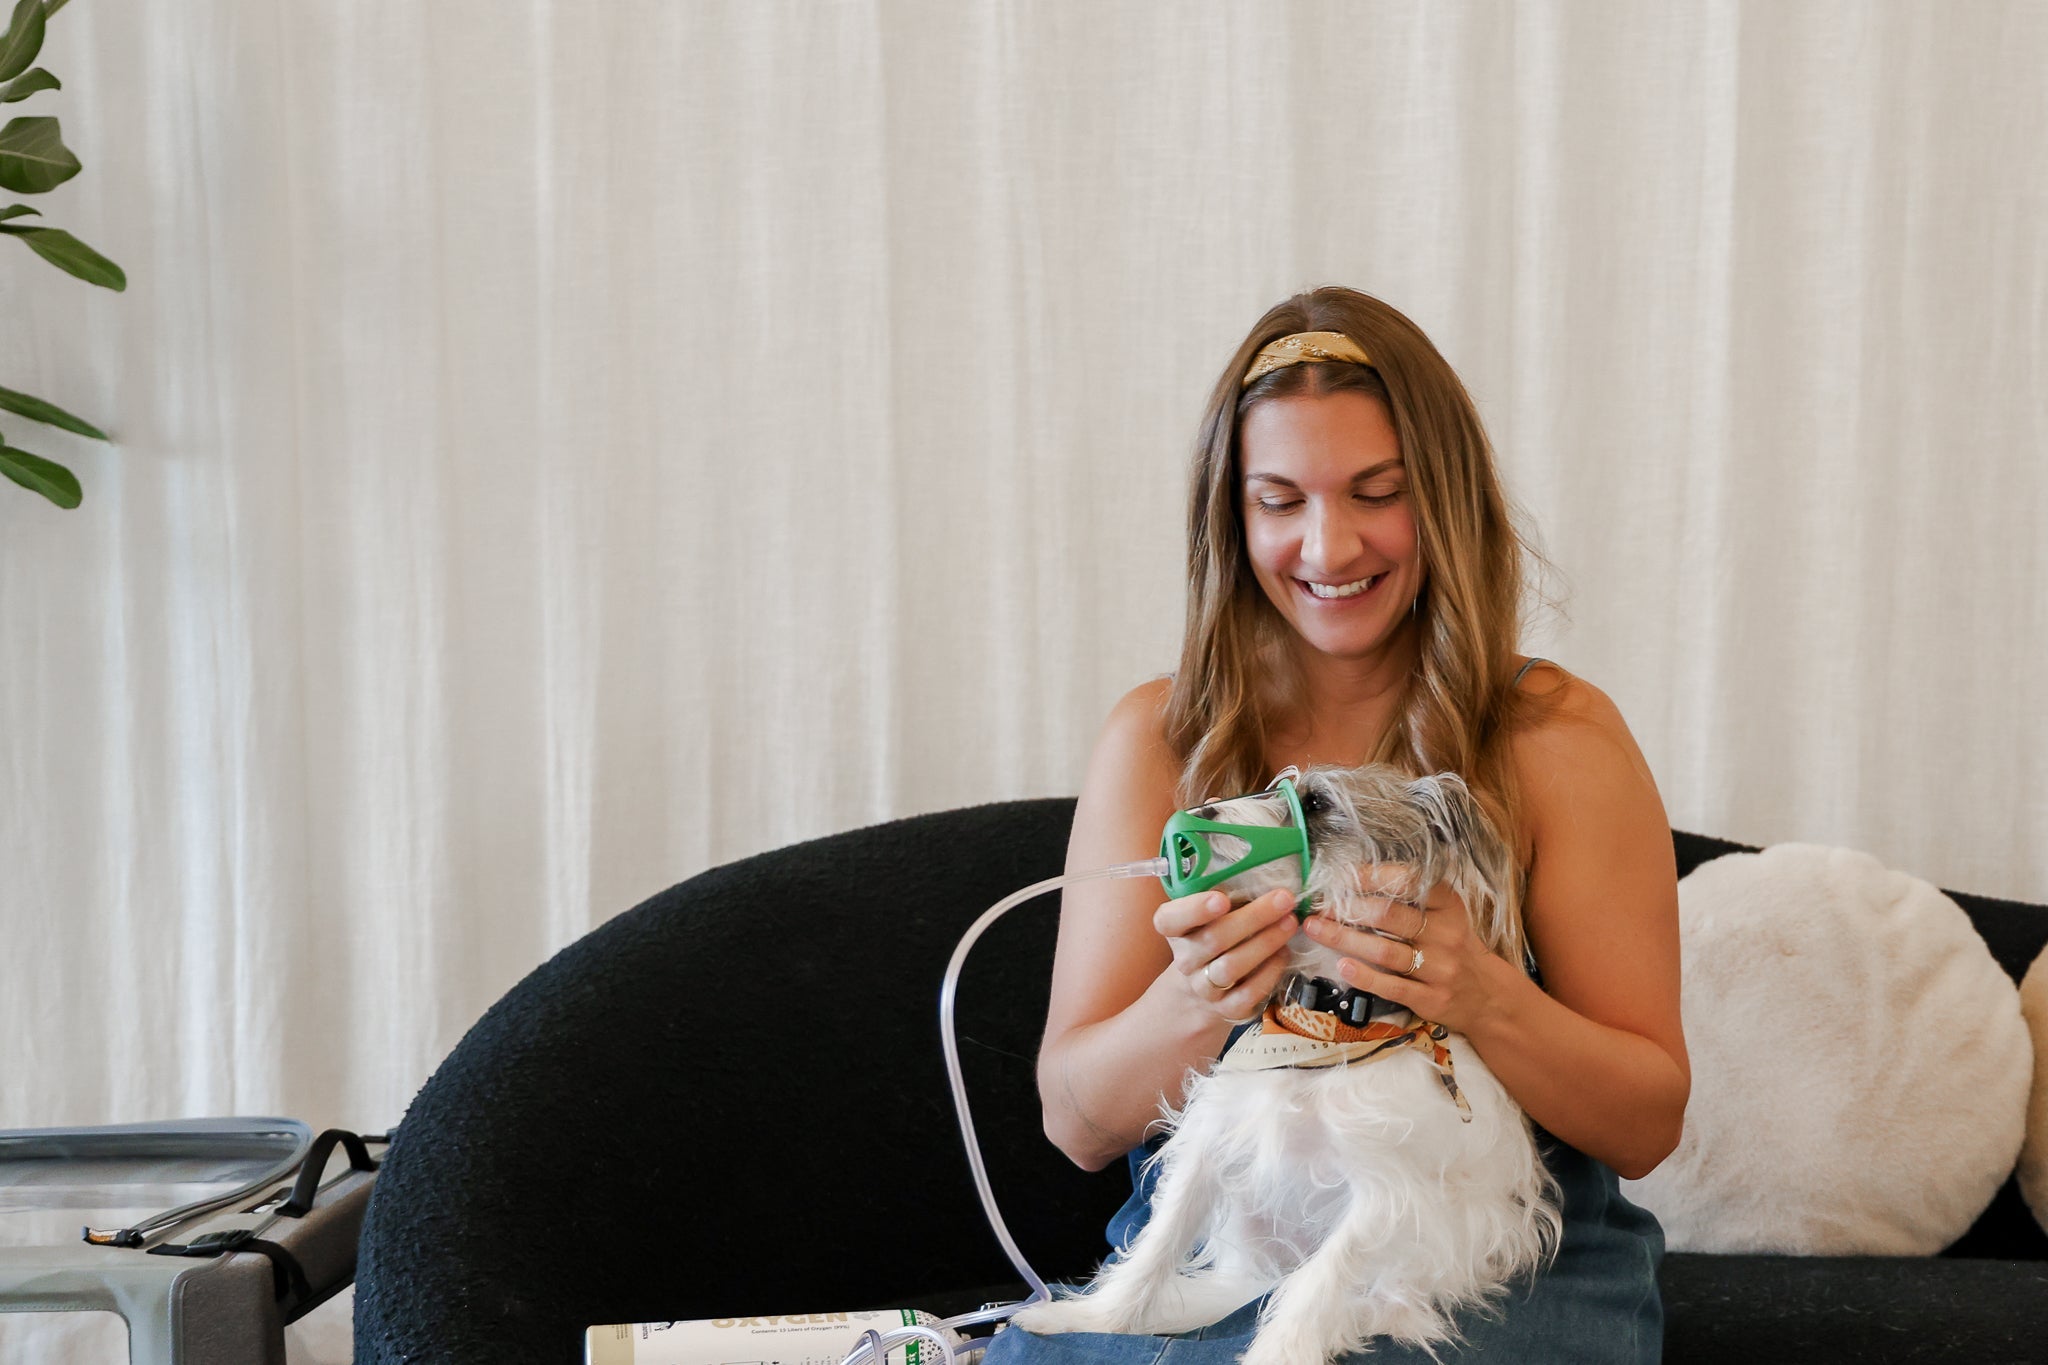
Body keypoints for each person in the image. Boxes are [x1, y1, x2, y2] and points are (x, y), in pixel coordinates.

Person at [984, 287, 1688, 1364]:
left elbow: (1645, 1127)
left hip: (1488, 1248)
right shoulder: (1160, 740)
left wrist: (1479, 994)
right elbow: (1076, 1126)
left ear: (1443, 500)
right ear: (1232, 517)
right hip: (1231, 1240)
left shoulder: (1556, 738)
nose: (1328, 543)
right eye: (1278, 500)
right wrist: (1193, 994)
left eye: (1376, 492)